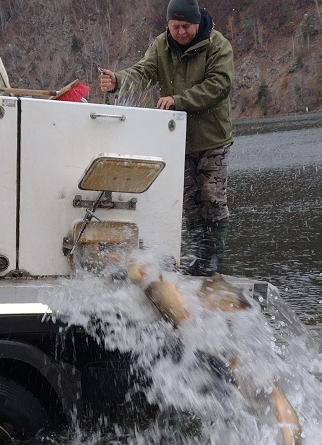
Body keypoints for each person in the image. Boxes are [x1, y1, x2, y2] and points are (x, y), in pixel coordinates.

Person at [99, 0, 234, 276]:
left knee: (212, 198)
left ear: (198, 23)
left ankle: (215, 257)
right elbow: (143, 72)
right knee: (191, 203)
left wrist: (178, 100)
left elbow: (218, 86)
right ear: (168, 25)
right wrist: (118, 81)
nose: (181, 32)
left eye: (186, 26)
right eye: (176, 27)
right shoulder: (161, 45)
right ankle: (200, 257)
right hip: (177, 142)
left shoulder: (218, 45)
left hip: (212, 139)